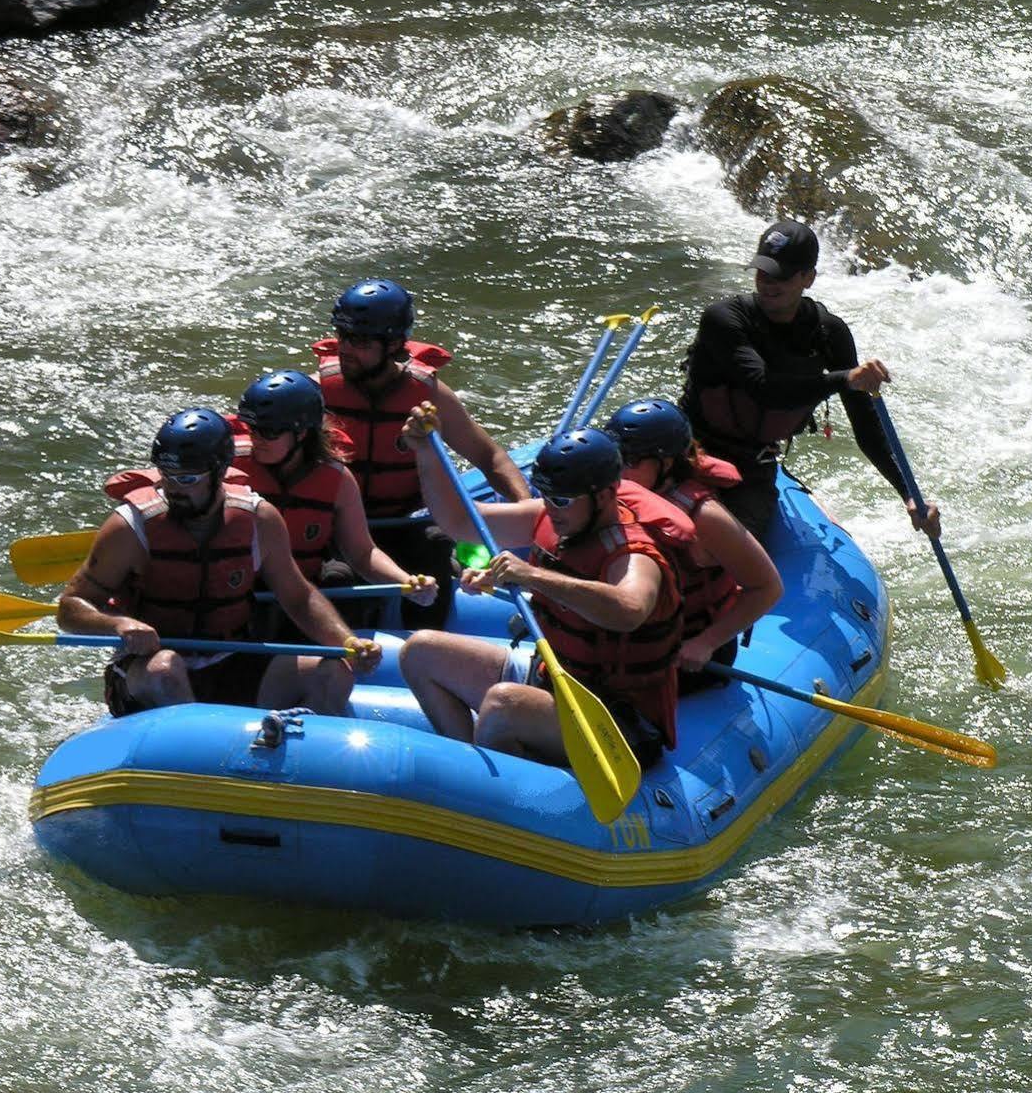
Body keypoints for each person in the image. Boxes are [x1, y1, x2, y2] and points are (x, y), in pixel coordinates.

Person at [397, 414, 681, 768]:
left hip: (618, 720)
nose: (550, 507)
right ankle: (469, 773)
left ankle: (494, 791)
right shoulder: (553, 517)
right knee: (421, 651)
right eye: (546, 495)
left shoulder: (635, 554)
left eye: (562, 499)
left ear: (606, 494)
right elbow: (458, 520)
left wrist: (531, 576)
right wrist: (426, 451)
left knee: (503, 704)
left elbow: (629, 609)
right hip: (552, 680)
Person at [59, 408, 380, 716]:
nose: (173, 488)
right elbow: (71, 606)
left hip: (232, 661)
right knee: (165, 669)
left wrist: (346, 641)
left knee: (333, 672)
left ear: (219, 473)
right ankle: (192, 760)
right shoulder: (130, 527)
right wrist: (118, 624)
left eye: (187, 480)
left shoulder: (259, 519)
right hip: (150, 665)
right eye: (167, 475)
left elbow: (299, 596)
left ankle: (304, 764)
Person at [678, 219, 941, 541]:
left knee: (727, 554)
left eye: (782, 275)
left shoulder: (828, 333)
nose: (768, 283)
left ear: (809, 278)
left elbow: (866, 425)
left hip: (752, 467)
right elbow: (764, 389)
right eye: (763, 271)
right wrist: (844, 379)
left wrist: (909, 493)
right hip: (693, 450)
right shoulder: (725, 319)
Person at [311, 278, 530, 626]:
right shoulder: (317, 392)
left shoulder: (427, 395)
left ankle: (423, 650)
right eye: (342, 336)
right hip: (339, 527)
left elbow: (490, 457)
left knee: (434, 543)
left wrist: (525, 515)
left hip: (402, 521)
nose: (346, 349)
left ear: (395, 343)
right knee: (334, 578)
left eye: (360, 341)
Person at [230, 369, 438, 624]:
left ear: (302, 433)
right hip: (240, 587)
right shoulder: (228, 465)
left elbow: (362, 553)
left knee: (340, 577)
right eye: (252, 428)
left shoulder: (337, 479)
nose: (256, 438)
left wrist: (405, 581)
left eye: (268, 432)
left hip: (303, 589)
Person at [603, 399, 784, 689]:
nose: (619, 469)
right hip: (630, 640)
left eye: (631, 460)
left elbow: (768, 587)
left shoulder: (705, 517)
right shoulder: (612, 494)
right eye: (615, 457)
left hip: (688, 652)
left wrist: (706, 643)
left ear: (666, 463)